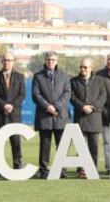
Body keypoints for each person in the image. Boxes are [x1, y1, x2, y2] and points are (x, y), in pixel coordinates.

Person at [32, 51, 71, 179]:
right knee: (45, 144)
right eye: (48, 59)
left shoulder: (64, 76)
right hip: (45, 116)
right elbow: (35, 95)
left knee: (61, 144)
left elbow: (67, 93)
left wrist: (56, 106)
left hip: (60, 116)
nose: (50, 61)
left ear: (57, 61)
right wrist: (48, 107)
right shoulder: (38, 76)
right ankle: (43, 170)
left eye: (53, 59)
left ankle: (62, 170)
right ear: (45, 60)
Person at [0, 52, 25, 178]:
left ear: (13, 61)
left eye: (9, 60)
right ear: (1, 61)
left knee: (16, 142)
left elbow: (21, 95)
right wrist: (4, 105)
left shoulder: (20, 77)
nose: (7, 62)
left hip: (14, 115)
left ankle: (17, 167)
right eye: (4, 60)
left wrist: (11, 106)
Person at [71, 57, 106, 178]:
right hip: (80, 117)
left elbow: (103, 97)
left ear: (91, 68)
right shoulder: (73, 81)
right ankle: (81, 170)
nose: (83, 69)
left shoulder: (100, 80)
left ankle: (93, 169)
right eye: (81, 67)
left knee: (94, 146)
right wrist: (82, 107)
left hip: (94, 117)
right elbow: (72, 97)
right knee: (81, 146)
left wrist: (92, 106)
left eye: (85, 67)